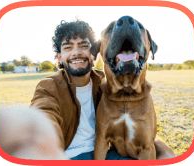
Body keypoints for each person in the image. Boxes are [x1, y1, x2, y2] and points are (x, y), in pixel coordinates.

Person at [30, 19, 136, 160]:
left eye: (84, 46)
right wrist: (43, 132)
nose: (77, 53)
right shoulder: (48, 86)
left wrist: (162, 150)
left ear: (94, 54)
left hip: (105, 151)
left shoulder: (106, 82)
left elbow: (139, 120)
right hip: (70, 156)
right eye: (68, 47)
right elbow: (44, 113)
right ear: (59, 57)